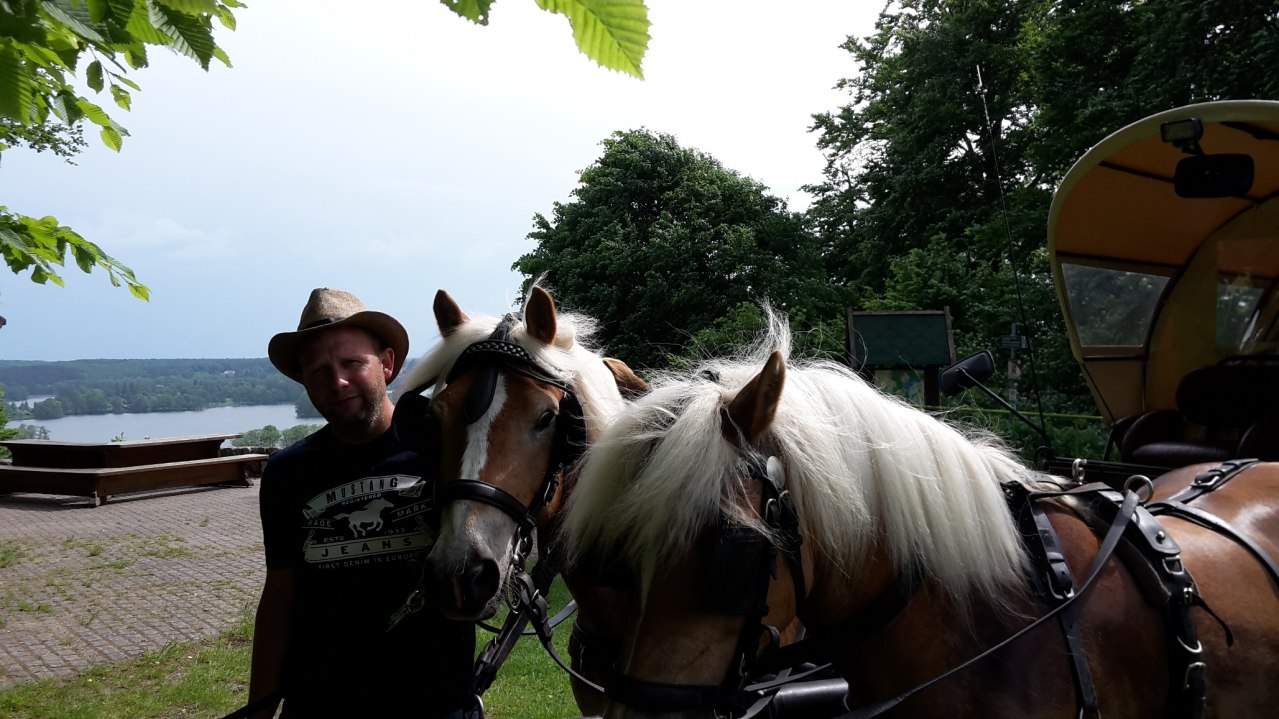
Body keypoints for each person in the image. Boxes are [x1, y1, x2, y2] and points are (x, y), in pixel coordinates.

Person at [248, 288, 475, 718]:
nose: (337, 382)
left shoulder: (442, 448)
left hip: (435, 701)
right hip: (321, 703)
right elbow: (280, 596)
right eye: (318, 371)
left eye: (352, 363)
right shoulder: (287, 473)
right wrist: (259, 708)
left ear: (387, 364)